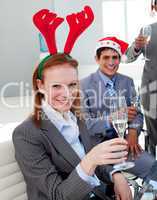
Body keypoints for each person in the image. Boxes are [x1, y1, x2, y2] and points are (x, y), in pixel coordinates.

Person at [13, 7, 133, 200]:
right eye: (57, 86)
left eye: (72, 85)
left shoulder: (77, 118)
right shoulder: (27, 134)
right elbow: (58, 195)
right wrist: (90, 159)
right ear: (40, 85)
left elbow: (99, 163)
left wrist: (115, 174)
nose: (67, 94)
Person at [80, 36, 155, 178]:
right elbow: (85, 125)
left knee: (154, 169)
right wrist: (112, 118)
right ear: (97, 59)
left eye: (115, 57)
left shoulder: (127, 82)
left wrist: (133, 132)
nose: (111, 62)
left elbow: (137, 113)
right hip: (96, 151)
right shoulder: (83, 85)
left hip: (124, 146)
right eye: (106, 57)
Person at [126, 0, 157, 156]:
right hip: (151, 89)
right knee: (153, 131)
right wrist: (137, 47)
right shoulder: (147, 30)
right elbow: (128, 57)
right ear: (154, 7)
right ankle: (153, 167)